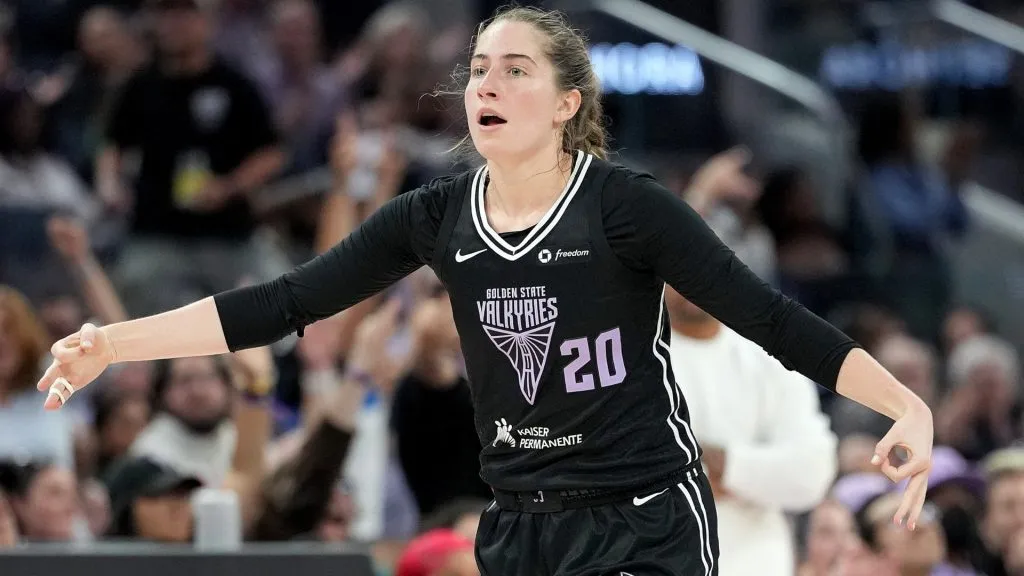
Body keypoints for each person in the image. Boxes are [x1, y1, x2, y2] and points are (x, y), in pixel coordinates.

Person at [38, 7, 933, 575]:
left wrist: (903, 403)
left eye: (514, 69)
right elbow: (282, 303)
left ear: (568, 103)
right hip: (519, 525)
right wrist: (113, 342)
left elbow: (771, 318)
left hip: (643, 520)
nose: (486, 85)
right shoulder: (434, 216)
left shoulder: (626, 208)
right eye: (477, 68)